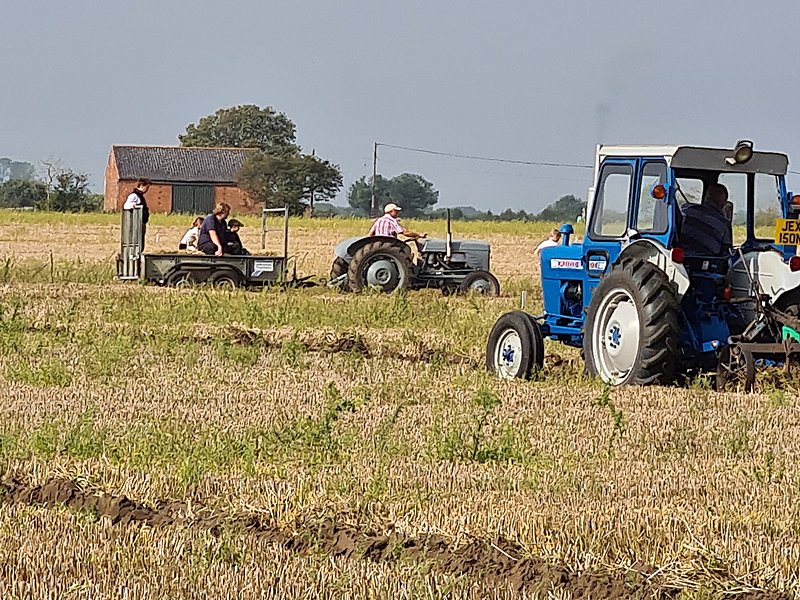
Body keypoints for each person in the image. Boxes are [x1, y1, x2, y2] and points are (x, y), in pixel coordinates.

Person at [679, 183, 733, 257]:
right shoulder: (724, 225)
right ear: (723, 203)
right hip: (708, 261)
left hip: (682, 257)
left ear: (706, 197)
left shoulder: (687, 211)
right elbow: (725, 252)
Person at [122, 179, 151, 250]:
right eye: (146, 187)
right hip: (136, 224)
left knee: (141, 240)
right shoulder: (134, 196)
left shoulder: (140, 196)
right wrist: (133, 206)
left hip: (141, 223)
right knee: (137, 240)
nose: (147, 190)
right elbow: (126, 206)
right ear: (141, 185)